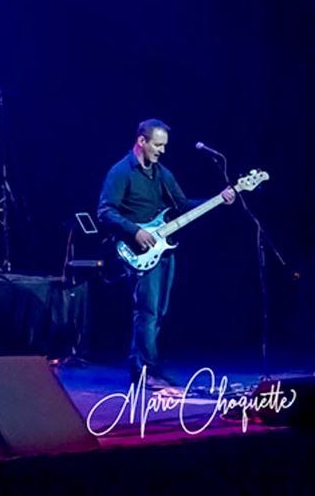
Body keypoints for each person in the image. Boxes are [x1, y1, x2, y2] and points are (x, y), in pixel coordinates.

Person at [97, 118, 235, 389]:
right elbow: (105, 211)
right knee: (146, 311)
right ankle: (147, 371)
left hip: (163, 250)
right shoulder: (121, 171)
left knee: (158, 311)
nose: (162, 150)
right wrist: (135, 231)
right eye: (158, 145)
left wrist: (218, 199)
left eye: (164, 145)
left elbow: (182, 205)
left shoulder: (162, 173)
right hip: (136, 249)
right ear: (142, 141)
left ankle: (141, 369)